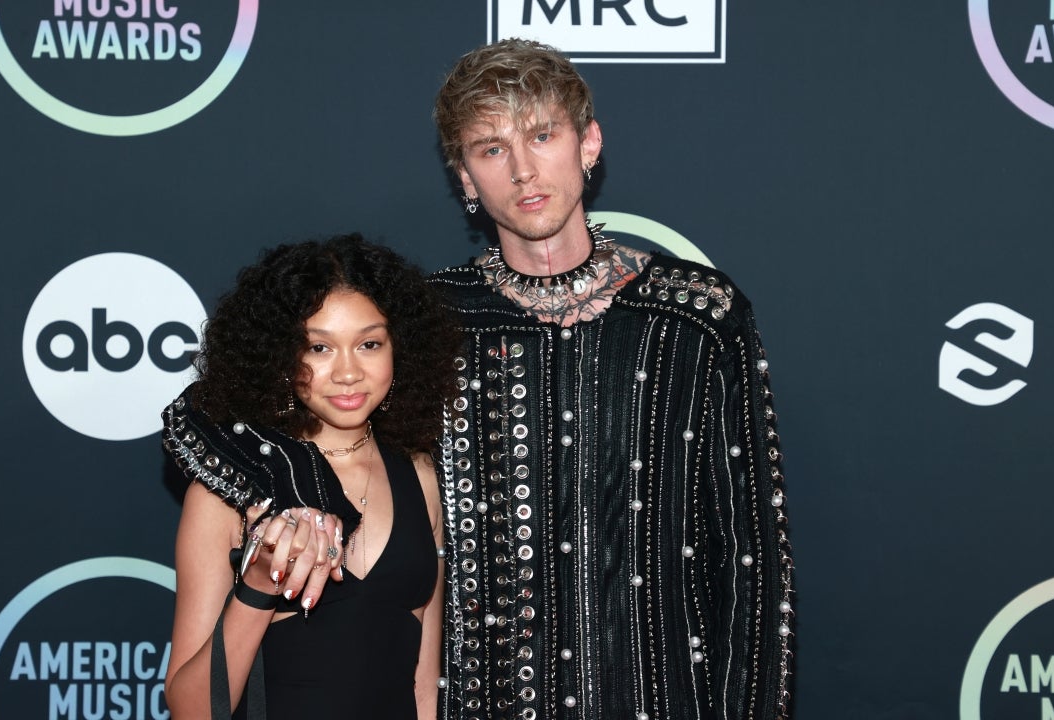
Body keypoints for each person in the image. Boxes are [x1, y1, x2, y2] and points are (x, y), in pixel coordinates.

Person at [428, 39, 796, 719]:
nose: (523, 170)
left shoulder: (696, 314)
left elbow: (751, 554)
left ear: (589, 143)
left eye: (543, 135)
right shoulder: (429, 321)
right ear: (466, 179)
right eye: (492, 148)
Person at [161, 234, 459, 720]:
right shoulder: (229, 490)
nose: (348, 372)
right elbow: (192, 710)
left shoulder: (420, 473)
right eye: (319, 348)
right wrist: (260, 584)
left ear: (400, 348)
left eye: (369, 344)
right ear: (279, 358)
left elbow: (423, 688)